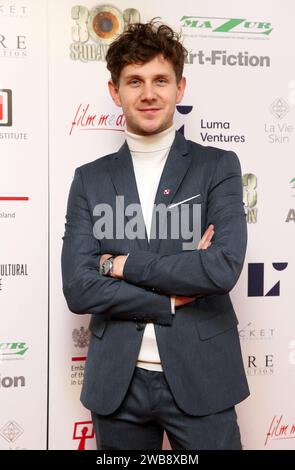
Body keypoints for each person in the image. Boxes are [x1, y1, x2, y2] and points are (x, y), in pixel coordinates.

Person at [61, 19, 249, 450]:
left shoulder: (218, 167)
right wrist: (169, 295)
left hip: (204, 377)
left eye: (161, 80)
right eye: (135, 81)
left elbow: (220, 268)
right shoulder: (89, 180)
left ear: (180, 88)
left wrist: (119, 264)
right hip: (117, 386)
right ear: (115, 91)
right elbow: (79, 288)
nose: (149, 93)